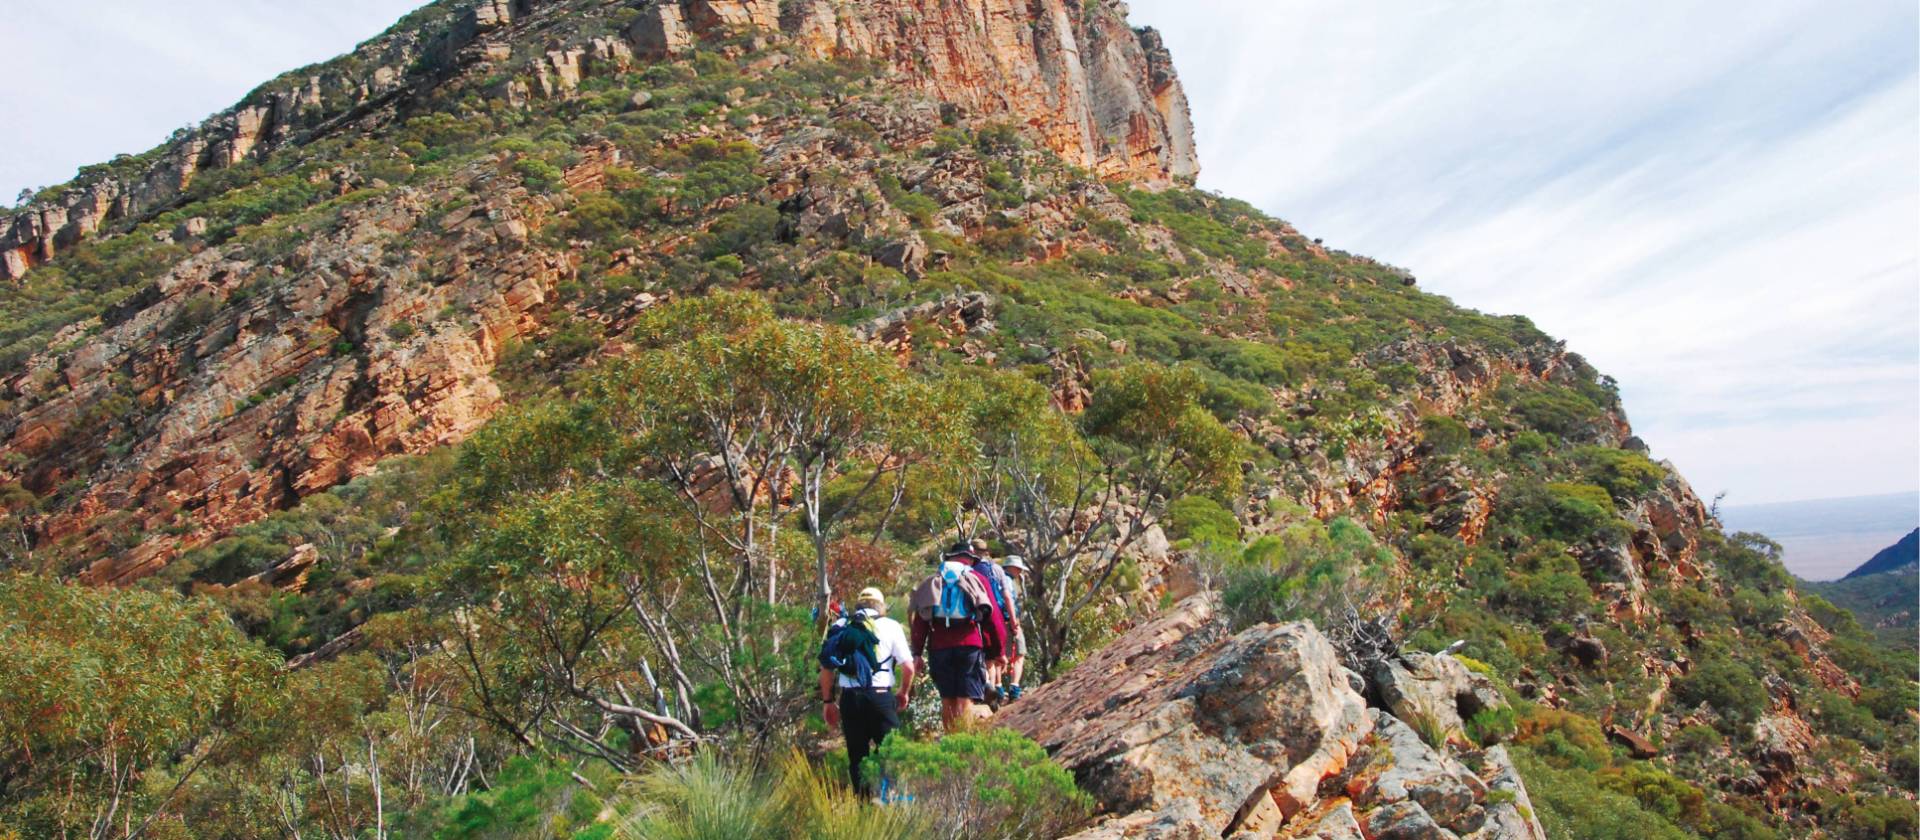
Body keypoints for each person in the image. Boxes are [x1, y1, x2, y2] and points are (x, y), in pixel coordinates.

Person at [819, 587, 915, 796]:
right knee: (890, 752)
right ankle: (889, 799)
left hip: (850, 699)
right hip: (880, 696)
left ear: (859, 605)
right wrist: (903, 692)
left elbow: (826, 670)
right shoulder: (891, 626)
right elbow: (908, 667)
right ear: (881, 607)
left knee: (857, 756)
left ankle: (863, 807)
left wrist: (828, 702)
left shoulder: (842, 625)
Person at [909, 542, 1005, 732]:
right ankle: (963, 745)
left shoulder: (932, 581)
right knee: (965, 698)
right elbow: (993, 617)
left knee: (947, 699)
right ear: (969, 559)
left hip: (939, 646)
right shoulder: (976, 578)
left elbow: (920, 620)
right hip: (969, 645)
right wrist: (999, 650)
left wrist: (917, 652)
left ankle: (950, 741)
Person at [999, 555, 1030, 700]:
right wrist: (1014, 622)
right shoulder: (1008, 581)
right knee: (1019, 653)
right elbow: (1009, 601)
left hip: (998, 622)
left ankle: (997, 688)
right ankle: (1014, 688)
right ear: (1010, 567)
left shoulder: (996, 579)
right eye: (1017, 568)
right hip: (1010, 622)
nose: (1019, 571)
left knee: (999, 656)